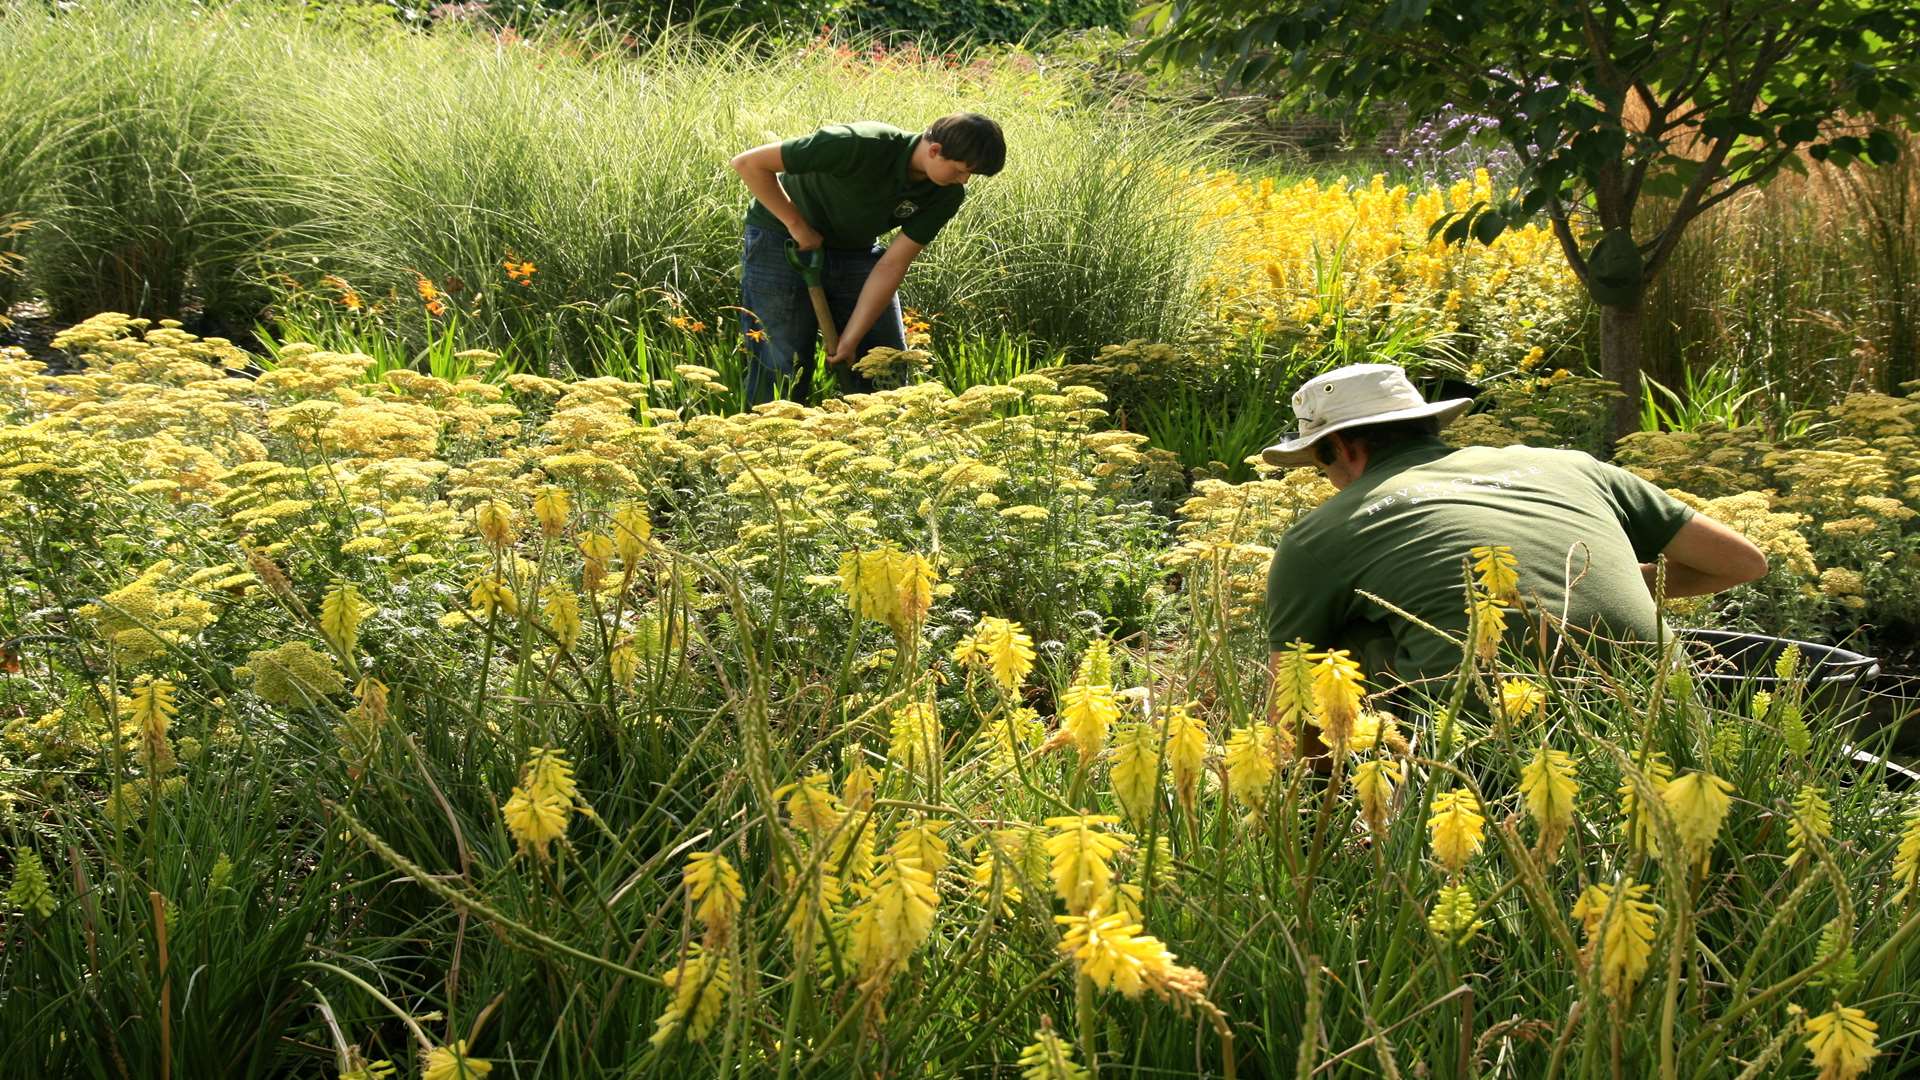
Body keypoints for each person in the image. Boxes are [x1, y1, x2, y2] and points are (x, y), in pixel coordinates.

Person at [1260, 364, 1769, 742]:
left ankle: (1402, 802)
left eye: (1318, 464)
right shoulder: (1571, 465)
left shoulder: (1319, 534)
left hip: (1487, 752)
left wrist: (1302, 816)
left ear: (1343, 448)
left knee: (1342, 645)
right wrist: (1607, 580)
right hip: (1670, 724)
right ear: (1427, 426)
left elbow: (1293, 700)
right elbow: (1742, 562)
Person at [729, 113, 1005, 406]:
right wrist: (797, 226)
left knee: (886, 359)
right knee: (782, 357)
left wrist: (850, 341)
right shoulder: (858, 143)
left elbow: (892, 264)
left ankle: (883, 443)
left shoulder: (946, 195)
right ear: (935, 150)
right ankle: (771, 442)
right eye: (962, 170)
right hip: (780, 239)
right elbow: (748, 163)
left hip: (855, 249)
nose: (964, 180)